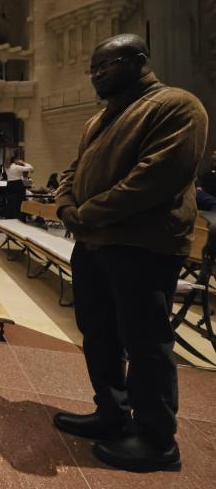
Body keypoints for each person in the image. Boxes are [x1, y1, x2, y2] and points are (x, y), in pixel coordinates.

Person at [55, 33, 208, 473]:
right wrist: (68, 207)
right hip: (95, 242)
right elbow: (72, 171)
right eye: (93, 68)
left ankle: (158, 440)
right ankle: (112, 412)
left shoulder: (176, 106)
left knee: (145, 342)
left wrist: (87, 214)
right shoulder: (98, 119)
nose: (96, 74)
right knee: (98, 331)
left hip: (143, 244)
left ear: (139, 61)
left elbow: (154, 178)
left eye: (106, 65)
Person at [4, 153, 33, 219]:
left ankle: (10, 217)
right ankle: (19, 218)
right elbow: (31, 168)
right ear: (15, 160)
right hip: (18, 185)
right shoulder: (17, 167)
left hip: (9, 185)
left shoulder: (6, 166)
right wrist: (23, 162)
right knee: (19, 203)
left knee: (10, 202)